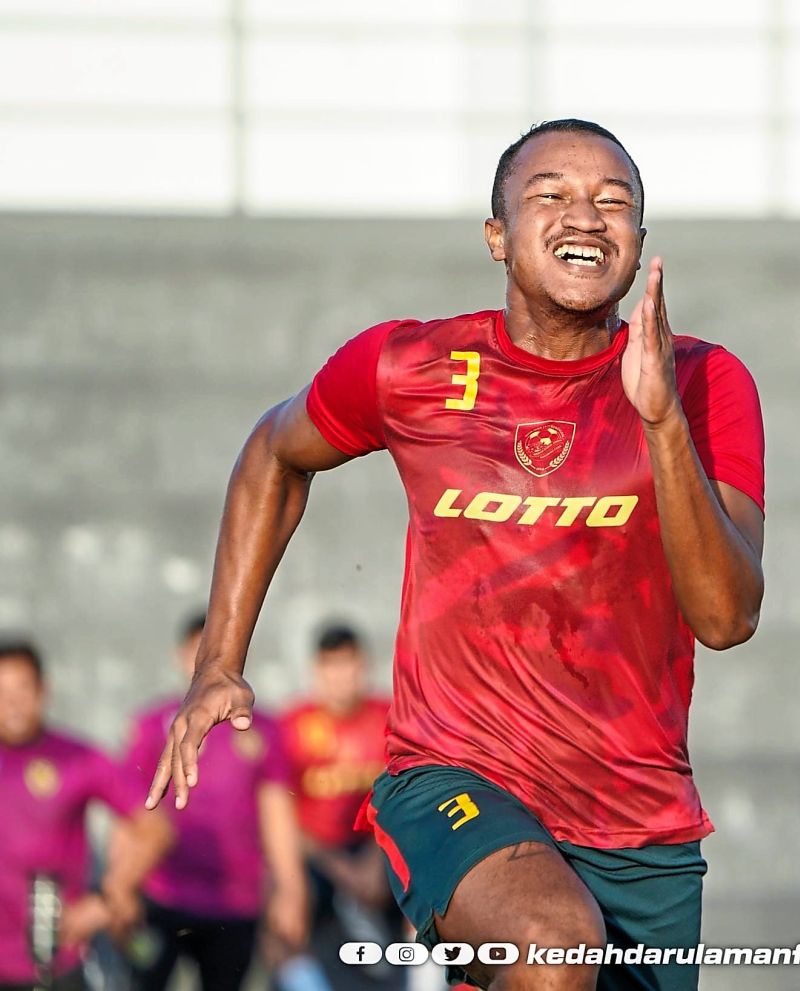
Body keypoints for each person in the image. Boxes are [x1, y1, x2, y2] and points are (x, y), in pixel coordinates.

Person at [145, 117, 766, 991]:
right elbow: (275, 452)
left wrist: (661, 423)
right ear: (497, 235)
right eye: (550, 195)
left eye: (613, 201)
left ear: (639, 239)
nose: (585, 216)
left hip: (639, 823)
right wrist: (219, 660)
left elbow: (727, 617)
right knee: (553, 944)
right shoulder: (412, 366)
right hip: (455, 779)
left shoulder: (703, 381)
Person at [125, 613, 308, 991]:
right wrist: (121, 885)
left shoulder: (260, 729)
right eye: (198, 650)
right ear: (181, 656)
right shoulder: (153, 725)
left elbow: (276, 815)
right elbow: (129, 813)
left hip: (236, 901)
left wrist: (291, 890)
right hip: (164, 894)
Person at [0, 638, 171, 991]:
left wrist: (110, 897)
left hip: (55, 957)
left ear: (44, 690)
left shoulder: (77, 757)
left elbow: (156, 827)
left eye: (22, 688)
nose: (12, 702)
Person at [279, 624, 400, 975]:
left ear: (364, 665)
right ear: (316, 671)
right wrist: (340, 869)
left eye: (349, 664)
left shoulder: (391, 718)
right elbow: (281, 816)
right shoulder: (293, 727)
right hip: (318, 856)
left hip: (380, 848)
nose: (342, 677)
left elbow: (402, 797)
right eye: (332, 666)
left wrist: (375, 860)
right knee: (285, 898)